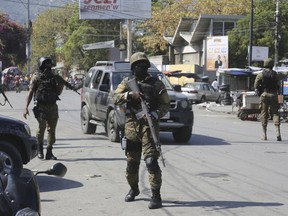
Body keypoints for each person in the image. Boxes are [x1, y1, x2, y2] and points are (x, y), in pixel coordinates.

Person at [113, 52, 170, 209]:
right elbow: (114, 97)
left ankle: (156, 196)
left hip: (149, 127)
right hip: (131, 126)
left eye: (144, 64)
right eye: (137, 65)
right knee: (132, 163)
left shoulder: (156, 84)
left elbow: (166, 104)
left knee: (151, 162)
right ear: (132, 67)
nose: (141, 67)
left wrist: (154, 114)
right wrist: (129, 95)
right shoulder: (127, 82)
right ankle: (134, 189)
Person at [23, 56, 75, 160]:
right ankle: (40, 151)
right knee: (42, 129)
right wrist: (25, 107)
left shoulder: (53, 77)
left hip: (52, 106)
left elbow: (57, 93)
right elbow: (31, 92)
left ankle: (49, 152)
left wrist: (60, 85)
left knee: (51, 130)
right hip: (41, 106)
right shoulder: (37, 77)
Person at [254, 58, 286, 141]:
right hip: (274, 95)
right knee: (275, 113)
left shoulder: (260, 74)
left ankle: (264, 135)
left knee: (264, 113)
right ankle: (278, 134)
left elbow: (255, 86)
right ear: (272, 65)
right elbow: (282, 77)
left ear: (265, 64)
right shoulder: (276, 74)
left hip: (264, 95)